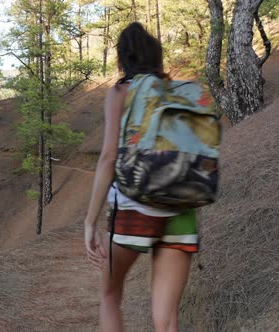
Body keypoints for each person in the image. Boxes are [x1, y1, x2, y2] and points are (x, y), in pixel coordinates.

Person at [84, 22, 200, 332]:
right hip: (180, 210)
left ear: (124, 57)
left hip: (133, 210)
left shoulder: (120, 92)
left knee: (110, 297)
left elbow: (109, 157)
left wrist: (90, 221)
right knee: (167, 321)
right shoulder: (178, 93)